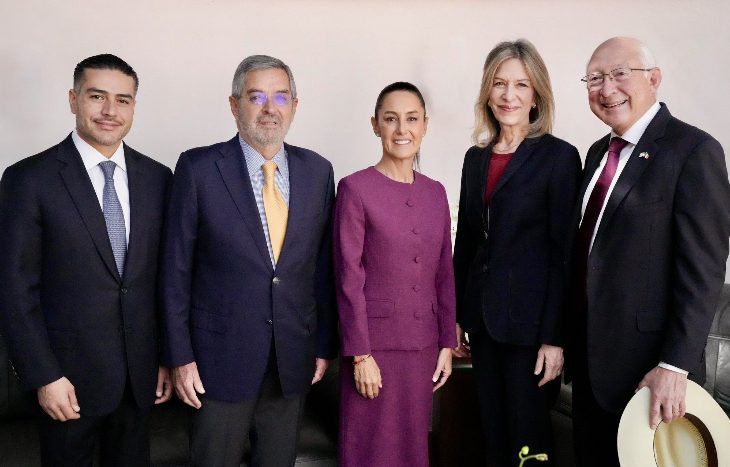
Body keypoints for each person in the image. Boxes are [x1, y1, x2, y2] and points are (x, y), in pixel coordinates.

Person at [161, 54, 337, 467]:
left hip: (291, 359)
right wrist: (179, 357)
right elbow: (174, 272)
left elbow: (322, 269)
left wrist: (322, 344)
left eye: (281, 97)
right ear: (234, 104)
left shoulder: (318, 171)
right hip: (217, 362)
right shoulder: (199, 168)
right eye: (256, 97)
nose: (270, 108)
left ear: (295, 105)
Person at [0, 54, 173, 466]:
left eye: (123, 100)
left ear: (133, 107)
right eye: (97, 96)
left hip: (139, 380)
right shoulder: (28, 179)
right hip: (66, 384)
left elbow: (165, 280)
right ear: (73, 99)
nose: (110, 110)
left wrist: (166, 358)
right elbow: (14, 289)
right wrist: (43, 375)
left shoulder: (159, 178)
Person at [568, 36, 730, 466]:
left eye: (620, 74)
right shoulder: (597, 154)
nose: (607, 88)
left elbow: (704, 271)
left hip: (651, 373)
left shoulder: (693, 151)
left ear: (654, 79)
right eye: (595, 79)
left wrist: (675, 367)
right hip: (590, 365)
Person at [452, 39, 581, 466]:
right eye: (500, 83)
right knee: (494, 440)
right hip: (483, 325)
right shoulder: (475, 159)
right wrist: (455, 316)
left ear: (537, 95)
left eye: (521, 85)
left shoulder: (559, 158)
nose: (509, 95)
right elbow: (467, 242)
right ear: (487, 91)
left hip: (531, 332)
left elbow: (564, 255)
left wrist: (555, 338)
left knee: (529, 444)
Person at [333, 81, 457, 467]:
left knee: (413, 450)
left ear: (425, 125)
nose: (402, 129)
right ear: (375, 125)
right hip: (375, 350)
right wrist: (360, 356)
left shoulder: (436, 192)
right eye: (391, 119)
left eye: (412, 119)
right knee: (372, 450)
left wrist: (447, 343)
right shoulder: (355, 189)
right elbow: (347, 277)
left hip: (423, 350)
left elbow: (444, 271)